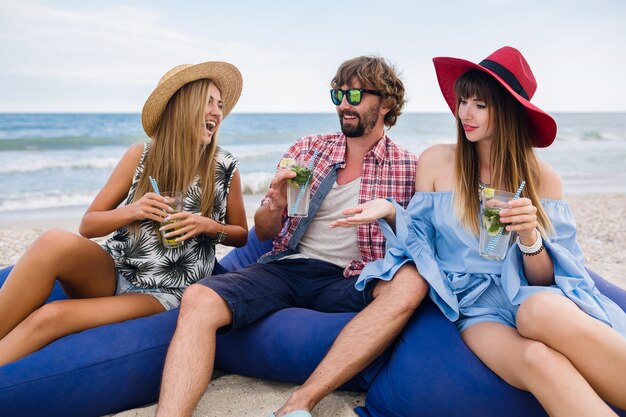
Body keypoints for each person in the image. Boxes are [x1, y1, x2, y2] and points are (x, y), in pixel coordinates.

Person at [333, 46, 626, 415]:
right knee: (537, 359)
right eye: (463, 101)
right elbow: (421, 242)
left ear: (507, 111)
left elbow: (551, 277)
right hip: (474, 306)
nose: (465, 114)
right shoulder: (437, 161)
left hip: (530, 293)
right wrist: (392, 211)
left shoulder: (543, 179)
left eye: (481, 105)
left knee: (539, 311)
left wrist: (530, 237)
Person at [155, 56, 428, 417]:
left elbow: (421, 240)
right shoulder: (309, 149)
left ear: (387, 102)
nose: (345, 104)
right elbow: (266, 231)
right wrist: (276, 202)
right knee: (198, 297)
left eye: (356, 94)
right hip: (290, 266)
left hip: (354, 277)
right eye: (338, 95)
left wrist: (392, 212)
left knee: (410, 282)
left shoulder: (409, 167)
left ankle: (299, 403)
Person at [0, 61, 249, 366]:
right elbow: (88, 226)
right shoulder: (141, 155)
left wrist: (208, 226)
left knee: (51, 315)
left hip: (164, 291)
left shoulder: (224, 167)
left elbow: (240, 234)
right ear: (183, 107)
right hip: (114, 270)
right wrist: (133, 210)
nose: (217, 112)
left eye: (220, 105)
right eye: (208, 102)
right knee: (52, 240)